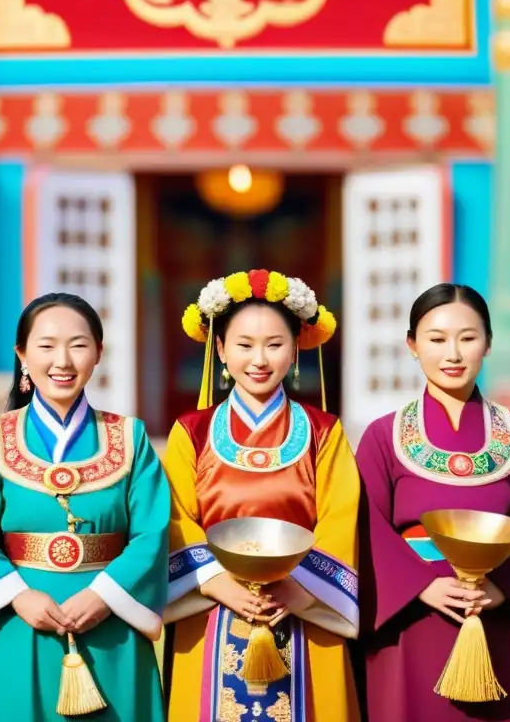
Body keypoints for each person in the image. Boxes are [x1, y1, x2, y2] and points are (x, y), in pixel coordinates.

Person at [0, 292, 170, 722]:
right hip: (16, 622)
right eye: (46, 346)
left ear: (99, 353)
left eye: (78, 344)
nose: (62, 360)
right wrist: (19, 597)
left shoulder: (131, 437)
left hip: (109, 625)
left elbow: (152, 533)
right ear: (22, 354)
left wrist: (104, 596)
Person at [353, 283, 510, 721]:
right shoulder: (383, 436)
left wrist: (503, 590)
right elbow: (364, 526)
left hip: (500, 615)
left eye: (468, 338)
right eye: (436, 339)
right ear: (412, 345)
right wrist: (422, 586)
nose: (453, 353)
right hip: (412, 618)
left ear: (488, 343)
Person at [163, 269, 360, 722]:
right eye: (244, 344)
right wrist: (219, 584)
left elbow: (340, 516)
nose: (259, 359)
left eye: (274, 344)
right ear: (220, 349)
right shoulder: (190, 433)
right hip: (212, 608)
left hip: (304, 609)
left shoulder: (324, 433)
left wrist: (298, 588)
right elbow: (175, 518)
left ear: (295, 349)